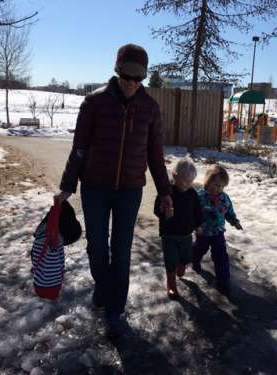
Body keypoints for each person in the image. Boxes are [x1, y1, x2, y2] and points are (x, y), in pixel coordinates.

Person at [56, 44, 172, 337]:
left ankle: (114, 310)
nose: (132, 82)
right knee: (97, 247)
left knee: (121, 252)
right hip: (94, 188)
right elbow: (79, 148)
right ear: (117, 70)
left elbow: (155, 155)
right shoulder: (94, 103)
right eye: (127, 75)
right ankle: (103, 285)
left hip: (130, 192)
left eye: (139, 77)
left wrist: (165, 191)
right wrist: (67, 186)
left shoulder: (150, 108)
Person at [154, 158, 202, 300]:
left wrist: (199, 225)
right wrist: (163, 210)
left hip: (186, 234)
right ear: (175, 176)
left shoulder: (192, 193)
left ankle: (182, 264)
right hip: (169, 234)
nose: (188, 184)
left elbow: (198, 211)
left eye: (191, 181)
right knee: (170, 259)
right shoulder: (166, 192)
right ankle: (171, 284)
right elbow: (157, 209)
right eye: (185, 180)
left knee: (186, 256)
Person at [192, 165, 242, 296]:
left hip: (218, 233)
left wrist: (235, 221)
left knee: (221, 257)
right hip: (203, 232)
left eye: (222, 186)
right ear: (208, 182)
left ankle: (223, 281)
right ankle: (195, 260)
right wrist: (195, 226)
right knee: (199, 250)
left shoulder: (225, 198)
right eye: (216, 185)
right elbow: (193, 213)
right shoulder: (199, 197)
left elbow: (229, 212)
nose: (219, 189)